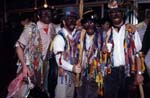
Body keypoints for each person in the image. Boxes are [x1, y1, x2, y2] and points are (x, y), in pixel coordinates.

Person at [7, 7, 56, 98]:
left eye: (49, 13)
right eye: (44, 13)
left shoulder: (53, 27)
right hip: (30, 66)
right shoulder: (31, 29)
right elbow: (18, 47)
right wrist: (24, 66)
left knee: (38, 90)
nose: (47, 15)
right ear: (38, 16)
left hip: (44, 67)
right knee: (22, 91)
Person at [102, 0, 144, 98]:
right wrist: (103, 52)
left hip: (128, 72)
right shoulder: (107, 34)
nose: (115, 15)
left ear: (122, 13)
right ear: (109, 15)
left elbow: (137, 54)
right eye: (112, 12)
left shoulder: (131, 31)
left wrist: (139, 73)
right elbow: (102, 56)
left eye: (118, 12)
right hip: (111, 74)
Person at [52, 7, 81, 98]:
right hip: (61, 78)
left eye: (74, 19)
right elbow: (59, 61)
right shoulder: (59, 38)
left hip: (70, 77)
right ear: (64, 22)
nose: (72, 21)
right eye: (69, 19)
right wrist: (72, 68)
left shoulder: (73, 36)